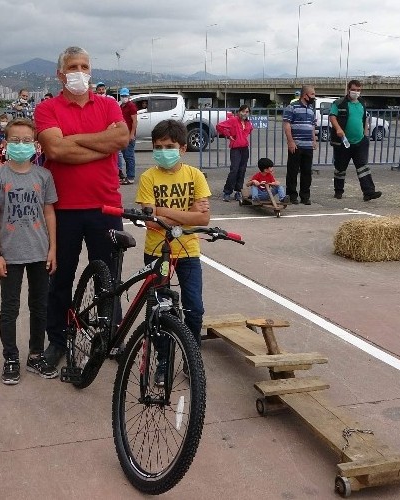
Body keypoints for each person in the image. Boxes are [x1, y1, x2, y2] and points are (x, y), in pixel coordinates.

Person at [34, 46, 130, 371]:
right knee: (60, 278)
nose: (79, 71)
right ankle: (58, 341)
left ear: (91, 70)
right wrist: (100, 145)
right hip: (63, 209)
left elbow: (121, 139)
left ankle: (109, 337)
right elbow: (56, 150)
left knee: (109, 277)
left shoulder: (108, 104)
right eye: (72, 66)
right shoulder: (47, 108)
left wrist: (74, 141)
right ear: (60, 74)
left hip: (107, 208)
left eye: (84, 66)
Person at [0, 118, 59, 384]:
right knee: (10, 308)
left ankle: (36, 354)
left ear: (36, 145)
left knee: (40, 307)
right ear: (5, 143)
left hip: (39, 253)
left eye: (27, 140)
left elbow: (49, 213)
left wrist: (53, 249)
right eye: (15, 140)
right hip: (9, 255)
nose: (21, 145)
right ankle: (11, 357)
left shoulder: (43, 176)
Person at [135, 119, 211, 385]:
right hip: (157, 253)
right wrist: (187, 214)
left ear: (182, 148)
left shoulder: (194, 175)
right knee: (159, 310)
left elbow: (203, 220)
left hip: (188, 251)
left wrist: (162, 211)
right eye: (158, 147)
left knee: (195, 308)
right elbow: (150, 222)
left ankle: (192, 358)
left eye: (169, 146)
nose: (164, 151)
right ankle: (164, 361)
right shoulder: (148, 177)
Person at [329, 80, 382, 201]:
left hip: (360, 142)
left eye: (358, 90)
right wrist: (338, 129)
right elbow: (332, 116)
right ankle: (338, 191)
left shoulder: (362, 103)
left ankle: (369, 192)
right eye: (354, 90)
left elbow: (364, 118)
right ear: (348, 89)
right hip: (343, 142)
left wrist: (365, 134)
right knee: (340, 168)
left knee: (363, 167)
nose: (356, 92)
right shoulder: (339, 103)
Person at [283, 85, 317, 205]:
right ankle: (292, 195)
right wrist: (290, 141)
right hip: (296, 145)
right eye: (312, 94)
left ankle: (305, 196)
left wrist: (314, 140)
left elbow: (312, 125)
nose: (314, 97)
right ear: (305, 95)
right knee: (292, 171)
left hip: (308, 145)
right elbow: (287, 125)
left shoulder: (312, 109)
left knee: (307, 172)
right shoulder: (292, 107)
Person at [216, 104, 254, 202]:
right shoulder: (233, 120)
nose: (245, 114)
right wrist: (228, 135)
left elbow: (249, 131)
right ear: (239, 112)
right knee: (234, 170)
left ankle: (238, 191)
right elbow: (219, 126)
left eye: (247, 112)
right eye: (243, 111)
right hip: (236, 148)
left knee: (242, 170)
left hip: (244, 148)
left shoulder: (248, 123)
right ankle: (227, 192)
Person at [118, 87, 138, 185]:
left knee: (129, 156)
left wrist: (132, 134)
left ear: (129, 96)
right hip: (124, 135)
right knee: (125, 156)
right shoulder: (122, 106)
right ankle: (128, 176)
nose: (124, 97)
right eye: (122, 96)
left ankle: (130, 177)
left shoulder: (131, 106)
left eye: (125, 96)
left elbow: (135, 121)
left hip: (129, 135)